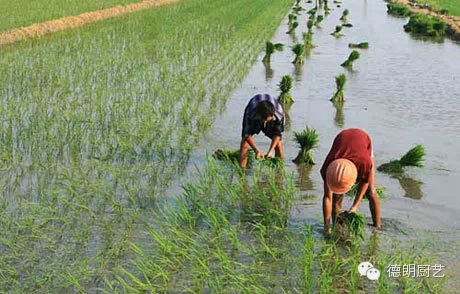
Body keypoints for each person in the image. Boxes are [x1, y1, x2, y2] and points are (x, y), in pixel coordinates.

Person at [320, 128, 381, 235]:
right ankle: (337, 228)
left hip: (363, 141)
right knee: (335, 199)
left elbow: (365, 182)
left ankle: (377, 229)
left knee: (371, 191)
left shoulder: (364, 162)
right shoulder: (328, 167)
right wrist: (327, 227)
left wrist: (354, 207)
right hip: (342, 139)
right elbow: (327, 197)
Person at [240, 94, 285, 168]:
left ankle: (280, 171)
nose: (265, 123)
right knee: (244, 142)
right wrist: (256, 150)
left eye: (268, 120)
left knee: (278, 143)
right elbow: (246, 134)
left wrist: (271, 151)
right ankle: (242, 169)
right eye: (264, 121)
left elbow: (277, 135)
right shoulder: (251, 113)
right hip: (254, 108)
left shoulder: (279, 115)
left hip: (270, 115)